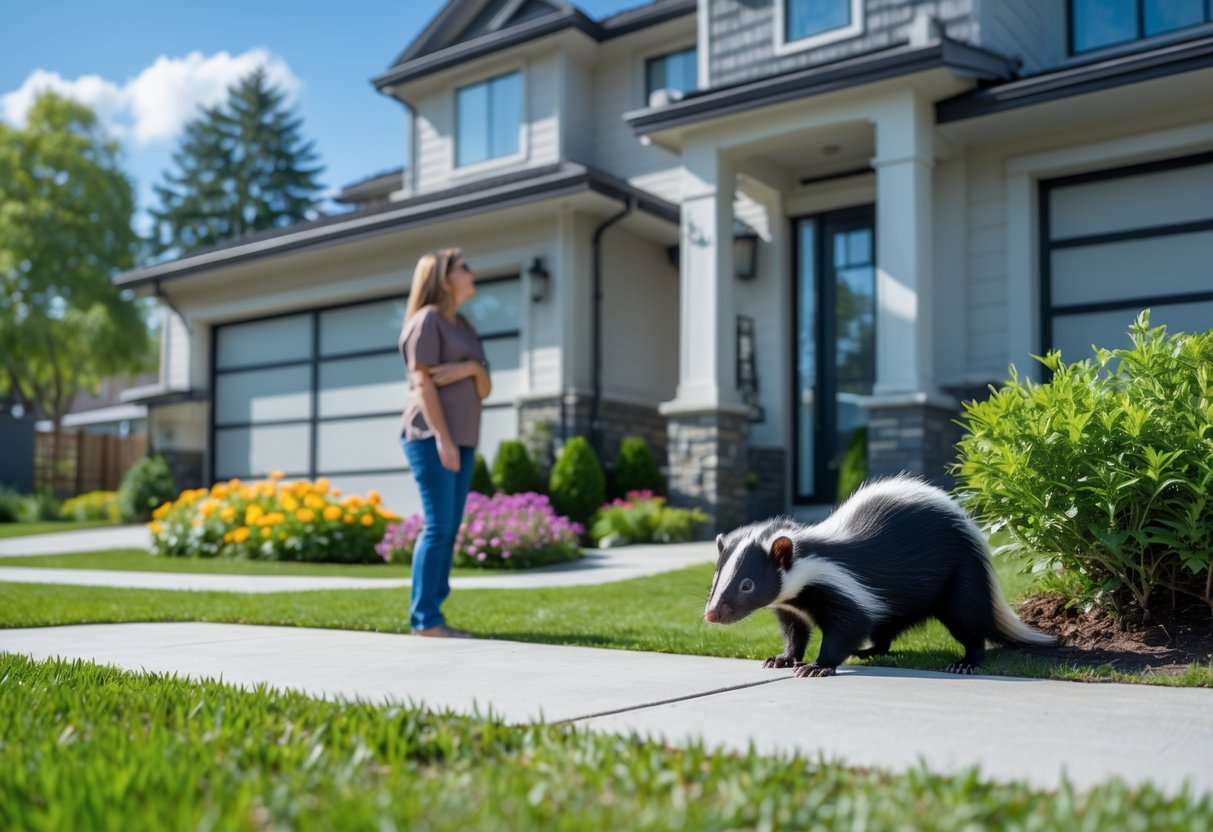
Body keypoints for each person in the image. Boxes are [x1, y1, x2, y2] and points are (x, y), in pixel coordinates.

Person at [398, 248, 491, 638]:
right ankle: (425, 621)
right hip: (430, 437)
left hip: (463, 440)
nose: (472, 273)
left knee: (449, 528)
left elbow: (484, 387)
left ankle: (433, 615)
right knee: (438, 526)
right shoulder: (427, 321)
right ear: (443, 278)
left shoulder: (465, 326)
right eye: (463, 268)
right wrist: (442, 438)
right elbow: (421, 384)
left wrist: (470, 368)